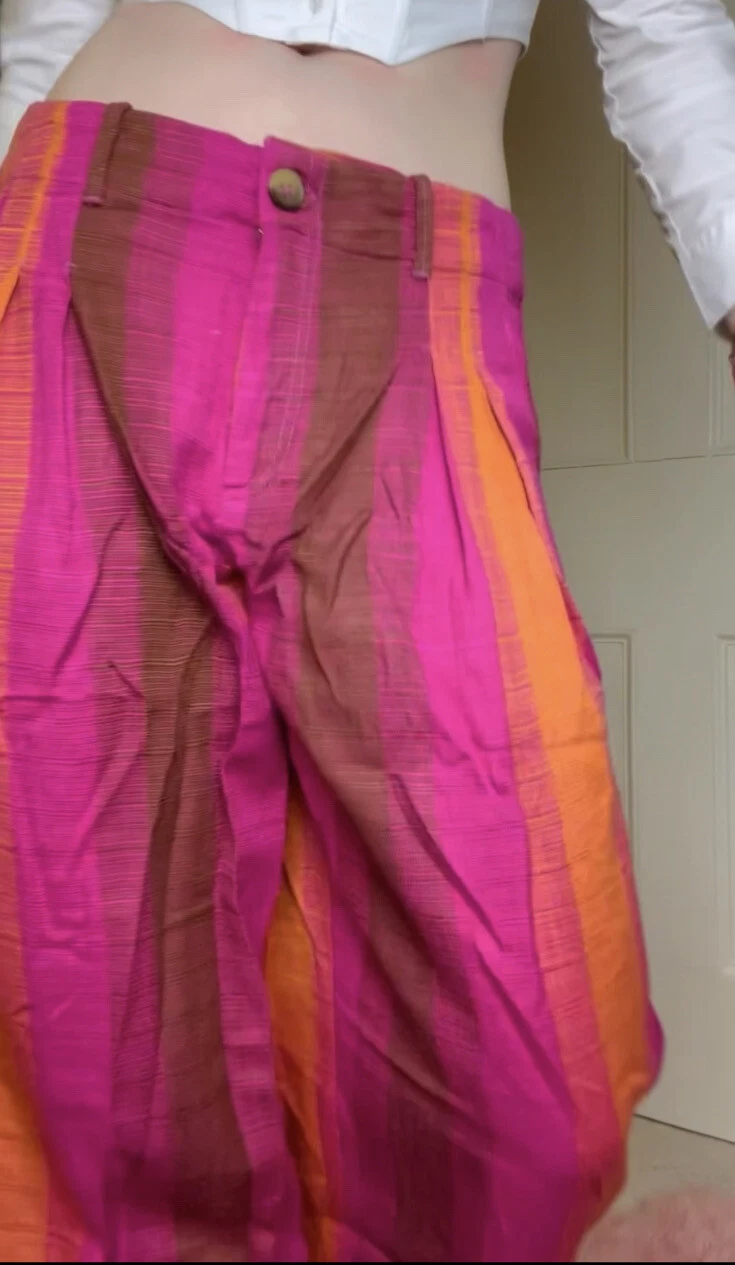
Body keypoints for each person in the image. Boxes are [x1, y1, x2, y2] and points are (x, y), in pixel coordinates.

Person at [0, 1, 731, 1261]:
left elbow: (662, 29)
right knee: (84, 988)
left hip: (424, 294)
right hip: (86, 237)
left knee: (530, 1045)